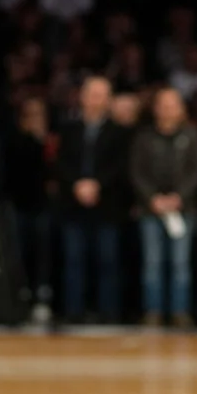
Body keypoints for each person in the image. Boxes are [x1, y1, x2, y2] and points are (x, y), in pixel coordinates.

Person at [130, 88, 197, 328]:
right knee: (152, 263)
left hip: (182, 210)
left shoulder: (192, 136)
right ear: (155, 108)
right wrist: (151, 198)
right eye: (163, 104)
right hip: (150, 210)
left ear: (181, 108)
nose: (167, 109)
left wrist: (179, 197)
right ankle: (153, 311)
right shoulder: (144, 137)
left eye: (173, 104)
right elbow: (136, 171)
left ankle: (179, 311)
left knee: (180, 264)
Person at [57, 76, 131, 324]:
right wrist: (77, 185)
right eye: (92, 94)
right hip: (73, 204)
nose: (97, 99)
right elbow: (60, 163)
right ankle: (74, 312)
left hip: (107, 204)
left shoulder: (120, 133)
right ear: (82, 97)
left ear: (109, 100)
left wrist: (98, 184)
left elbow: (121, 167)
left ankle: (108, 313)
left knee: (108, 261)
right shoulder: (68, 129)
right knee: (74, 260)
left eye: (102, 94)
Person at [3, 97, 55, 320]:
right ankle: (21, 296)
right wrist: (34, 140)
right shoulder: (14, 140)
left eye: (39, 113)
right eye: (30, 114)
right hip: (19, 205)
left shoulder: (50, 142)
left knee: (43, 253)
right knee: (20, 252)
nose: (35, 118)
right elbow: (16, 170)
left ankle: (42, 295)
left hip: (43, 206)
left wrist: (43, 143)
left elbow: (52, 173)